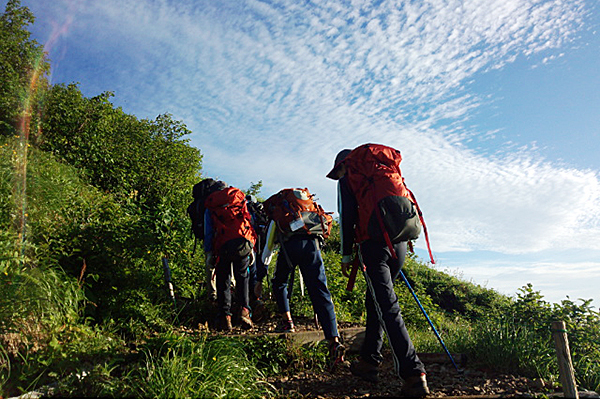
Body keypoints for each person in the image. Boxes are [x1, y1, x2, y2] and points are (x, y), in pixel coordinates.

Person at [326, 145, 430, 398]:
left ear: (343, 165)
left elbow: (347, 216)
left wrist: (347, 256)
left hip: (374, 246)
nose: (338, 176)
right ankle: (369, 362)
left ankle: (413, 373)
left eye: (337, 171)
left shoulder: (350, 177)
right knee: (376, 301)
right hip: (400, 246)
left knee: (388, 306)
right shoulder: (384, 172)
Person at [262, 188, 345, 367]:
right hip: (312, 246)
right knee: (320, 291)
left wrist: (264, 266)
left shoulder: (281, 208)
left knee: (280, 282)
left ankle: (288, 322)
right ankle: (334, 341)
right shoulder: (310, 208)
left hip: (290, 247)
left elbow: (269, 242)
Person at [204, 182, 257, 331]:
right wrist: (251, 247)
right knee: (242, 278)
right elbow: (249, 221)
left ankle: (225, 316)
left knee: (223, 280)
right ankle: (244, 311)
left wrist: (209, 252)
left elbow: (209, 232)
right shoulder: (239, 200)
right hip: (242, 244)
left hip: (222, 246)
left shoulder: (212, 205)